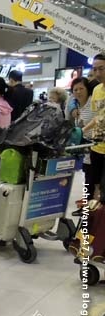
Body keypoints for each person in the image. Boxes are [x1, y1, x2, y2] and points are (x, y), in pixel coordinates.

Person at [67, 77, 97, 216]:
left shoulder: (93, 102)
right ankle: (87, 205)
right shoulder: (76, 106)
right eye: (75, 90)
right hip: (85, 147)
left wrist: (82, 130)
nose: (78, 92)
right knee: (87, 178)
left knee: (93, 179)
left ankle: (92, 207)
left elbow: (98, 120)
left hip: (96, 145)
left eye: (81, 89)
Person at [83, 53, 105, 203]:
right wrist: (82, 130)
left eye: (101, 69)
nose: (97, 73)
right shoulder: (97, 90)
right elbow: (98, 117)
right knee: (94, 187)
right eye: (95, 69)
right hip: (96, 147)